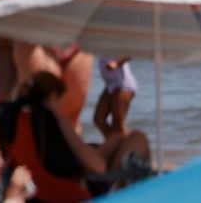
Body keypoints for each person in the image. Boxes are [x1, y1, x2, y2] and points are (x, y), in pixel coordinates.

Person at [18, 72, 151, 182]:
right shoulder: (58, 123)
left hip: (47, 184)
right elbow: (98, 167)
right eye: (61, 101)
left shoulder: (25, 120)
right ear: (52, 97)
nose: (62, 107)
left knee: (117, 138)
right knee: (138, 138)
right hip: (80, 187)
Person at [94, 57, 136, 140]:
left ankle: (130, 149)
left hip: (122, 84)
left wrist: (116, 63)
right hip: (110, 85)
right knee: (99, 119)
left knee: (118, 124)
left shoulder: (119, 43)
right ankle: (115, 146)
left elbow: (130, 52)